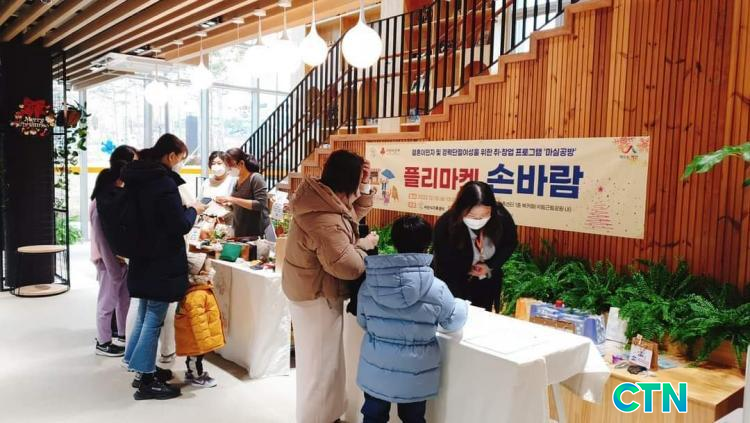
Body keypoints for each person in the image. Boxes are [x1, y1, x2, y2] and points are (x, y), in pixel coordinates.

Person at [282, 149, 379, 423]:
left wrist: (364, 185)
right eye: (358, 180)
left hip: (312, 291)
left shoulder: (323, 201)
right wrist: (362, 246)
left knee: (325, 364)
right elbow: (346, 266)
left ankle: (328, 415)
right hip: (316, 297)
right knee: (320, 368)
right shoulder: (323, 217)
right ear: (347, 182)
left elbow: (350, 215)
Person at [357, 215, 468, 423]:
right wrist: (462, 305)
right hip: (416, 371)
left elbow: (363, 321)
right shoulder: (437, 288)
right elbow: (452, 322)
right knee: (413, 418)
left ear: (395, 242)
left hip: (376, 367)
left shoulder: (370, 283)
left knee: (373, 416)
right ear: (427, 245)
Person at [122, 133, 207, 401]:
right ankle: (147, 380)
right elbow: (179, 225)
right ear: (170, 156)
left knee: (145, 313)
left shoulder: (136, 178)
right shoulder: (163, 183)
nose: (181, 163)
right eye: (181, 158)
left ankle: (139, 370)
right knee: (154, 318)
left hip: (141, 256)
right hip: (162, 259)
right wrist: (194, 210)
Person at [432, 181, 518, 312]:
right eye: (471, 215)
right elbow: (443, 264)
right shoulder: (446, 224)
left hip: (485, 282)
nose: (478, 220)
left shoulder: (500, 217)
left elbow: (510, 243)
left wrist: (490, 266)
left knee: (482, 316)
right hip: (454, 281)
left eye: (484, 215)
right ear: (461, 210)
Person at [90, 145, 137, 357]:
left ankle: (123, 335)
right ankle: (103, 342)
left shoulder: (109, 200)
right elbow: (101, 240)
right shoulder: (102, 203)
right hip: (108, 262)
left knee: (122, 300)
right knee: (107, 302)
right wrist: (113, 266)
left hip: (117, 262)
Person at [175, 252, 224, 388]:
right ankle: (197, 377)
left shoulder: (201, 290)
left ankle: (193, 373)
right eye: (209, 267)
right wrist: (203, 343)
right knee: (195, 357)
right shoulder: (197, 295)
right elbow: (198, 322)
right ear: (202, 273)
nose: (212, 270)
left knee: (195, 357)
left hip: (196, 337)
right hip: (196, 338)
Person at [216, 148, 270, 240]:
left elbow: (260, 204)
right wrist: (227, 205)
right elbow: (238, 206)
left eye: (231, 166)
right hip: (240, 232)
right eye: (227, 167)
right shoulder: (237, 181)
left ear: (241, 163)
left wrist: (231, 199)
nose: (229, 170)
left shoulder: (255, 178)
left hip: (256, 233)